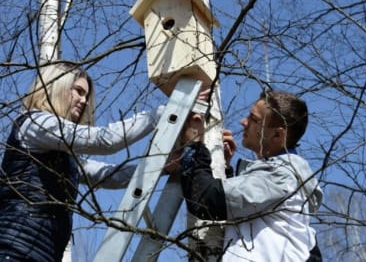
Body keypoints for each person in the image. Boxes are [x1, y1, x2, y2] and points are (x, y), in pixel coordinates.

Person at [0, 62, 164, 262]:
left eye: (86, 95)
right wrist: (164, 113)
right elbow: (106, 140)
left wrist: (162, 165)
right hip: (14, 249)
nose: (84, 101)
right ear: (57, 87)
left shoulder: (64, 156)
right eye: (78, 91)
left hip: (43, 255)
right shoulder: (34, 124)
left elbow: (108, 175)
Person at [179, 90, 323, 261]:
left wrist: (193, 146)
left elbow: (206, 199)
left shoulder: (281, 176)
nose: (243, 122)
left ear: (278, 134)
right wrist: (224, 170)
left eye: (254, 119)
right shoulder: (280, 179)